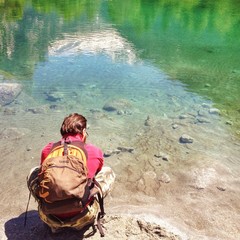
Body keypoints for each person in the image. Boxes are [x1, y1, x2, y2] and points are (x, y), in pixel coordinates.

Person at [27, 113, 115, 234]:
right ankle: (81, 222)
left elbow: (43, 175)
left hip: (50, 217)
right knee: (107, 172)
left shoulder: (48, 149)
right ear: (84, 131)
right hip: (83, 216)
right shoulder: (94, 151)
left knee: (34, 171)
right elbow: (95, 173)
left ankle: (55, 225)